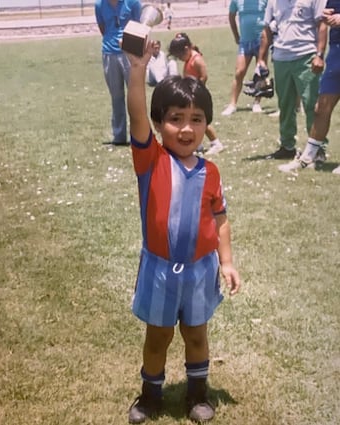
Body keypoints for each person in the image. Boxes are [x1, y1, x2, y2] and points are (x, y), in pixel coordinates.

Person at [126, 41, 241, 424]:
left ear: (206, 124)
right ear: (160, 124)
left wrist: (226, 262)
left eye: (196, 119)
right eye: (176, 118)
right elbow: (137, 113)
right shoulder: (150, 160)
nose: (186, 128)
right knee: (158, 337)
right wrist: (138, 68)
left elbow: (220, 218)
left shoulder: (211, 172)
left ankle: (197, 394)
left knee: (196, 334)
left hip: (199, 271)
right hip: (160, 270)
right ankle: (150, 396)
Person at [257, 0, 328, 159]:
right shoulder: (273, 1)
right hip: (281, 58)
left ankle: (318, 148)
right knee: (285, 105)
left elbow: (322, 25)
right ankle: (287, 146)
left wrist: (319, 55)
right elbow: (267, 29)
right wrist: (261, 59)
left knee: (311, 104)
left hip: (306, 56)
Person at [278, 1, 340, 173]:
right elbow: (328, 14)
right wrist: (326, 15)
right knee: (321, 109)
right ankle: (308, 157)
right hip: (335, 50)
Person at [94, 0, 142, 146]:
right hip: (109, 53)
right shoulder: (99, 5)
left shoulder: (133, 3)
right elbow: (103, 29)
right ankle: (119, 137)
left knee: (135, 97)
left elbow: (139, 27)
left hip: (130, 52)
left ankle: (139, 136)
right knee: (116, 97)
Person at [169, 33, 225, 155]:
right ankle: (197, 145)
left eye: (179, 56)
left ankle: (216, 143)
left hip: (198, 95)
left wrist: (196, 91)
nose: (179, 59)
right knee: (192, 121)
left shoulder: (196, 59)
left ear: (186, 49)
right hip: (191, 95)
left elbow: (204, 76)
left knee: (202, 122)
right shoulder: (189, 59)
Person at [221, 0, 268, 116]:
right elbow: (231, 17)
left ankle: (257, 103)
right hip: (245, 42)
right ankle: (232, 105)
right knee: (239, 72)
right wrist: (236, 36)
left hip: (261, 40)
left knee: (260, 73)